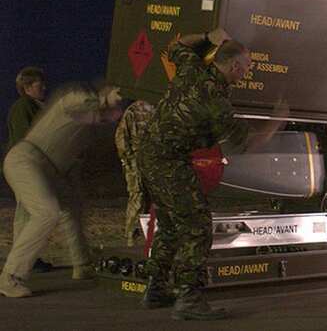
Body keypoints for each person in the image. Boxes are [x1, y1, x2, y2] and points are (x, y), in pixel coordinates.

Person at [138, 28, 252, 321]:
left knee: (171, 225)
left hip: (149, 154)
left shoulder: (192, 68)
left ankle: (156, 288)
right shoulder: (217, 100)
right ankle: (189, 298)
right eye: (247, 67)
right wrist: (275, 124)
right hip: (169, 161)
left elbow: (176, 45)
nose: (247, 73)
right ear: (235, 66)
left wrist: (207, 36)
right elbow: (243, 141)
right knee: (198, 226)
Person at [0, 83, 123, 298]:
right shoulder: (73, 99)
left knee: (71, 207)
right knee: (47, 212)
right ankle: (10, 277)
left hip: (50, 170)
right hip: (27, 159)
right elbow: (75, 102)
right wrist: (104, 99)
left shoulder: (87, 128)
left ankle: (82, 264)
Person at [5, 66, 54, 273]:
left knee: (26, 214)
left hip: (33, 166)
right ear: (26, 87)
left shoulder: (35, 106)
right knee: (35, 214)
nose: (43, 86)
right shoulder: (23, 107)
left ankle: (27, 259)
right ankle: (23, 262)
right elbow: (26, 137)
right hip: (27, 167)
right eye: (38, 84)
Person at [114, 100, 155, 247]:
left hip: (153, 159)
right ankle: (131, 233)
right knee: (138, 195)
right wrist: (127, 159)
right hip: (136, 160)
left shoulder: (157, 108)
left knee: (152, 196)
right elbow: (121, 136)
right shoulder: (133, 111)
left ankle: (148, 233)